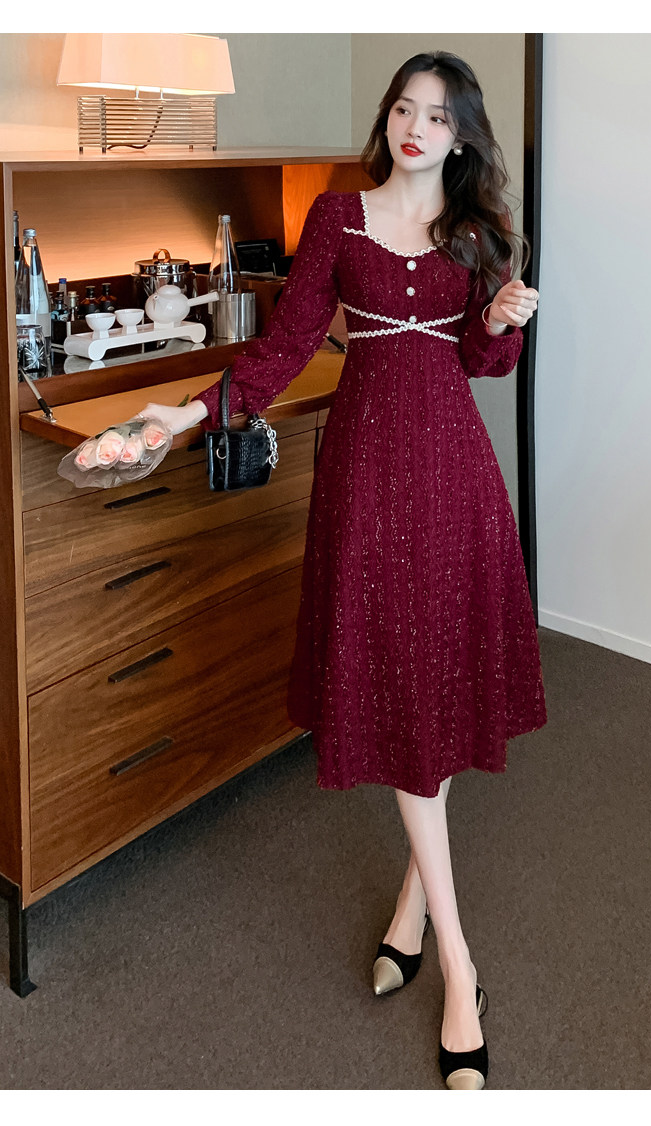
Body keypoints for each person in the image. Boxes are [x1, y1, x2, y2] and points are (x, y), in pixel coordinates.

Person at [140, 51, 547, 1090]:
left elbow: (480, 363)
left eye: (437, 115)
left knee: (433, 677)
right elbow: (282, 351)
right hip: (366, 477)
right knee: (405, 682)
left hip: (453, 474)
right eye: (404, 108)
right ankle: (461, 970)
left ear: (461, 135)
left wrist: (497, 324)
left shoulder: (476, 234)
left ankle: (417, 918)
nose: (416, 126)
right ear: (388, 119)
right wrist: (187, 414)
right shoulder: (336, 217)